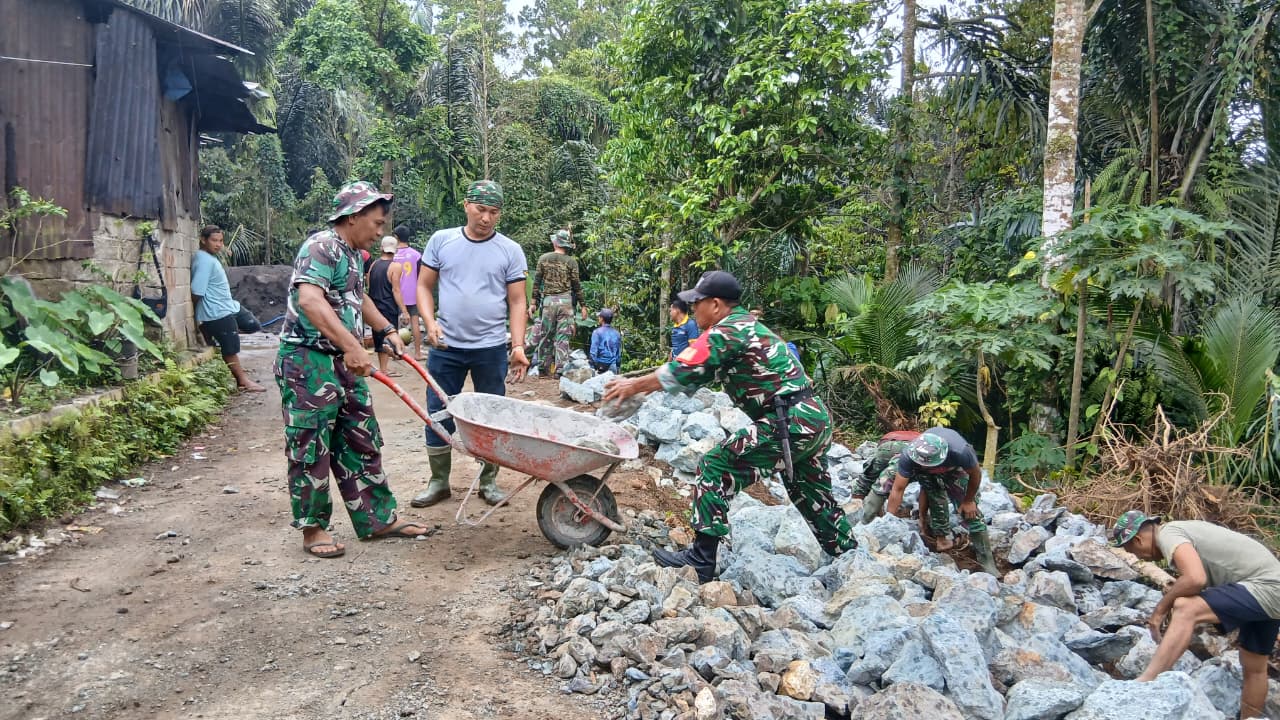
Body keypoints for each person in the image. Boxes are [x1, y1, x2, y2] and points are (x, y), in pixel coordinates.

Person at [603, 270, 856, 582]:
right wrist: (649, 386)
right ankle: (851, 560)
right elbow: (693, 376)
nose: (693, 310)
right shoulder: (744, 326)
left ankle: (701, 559)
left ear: (716, 304)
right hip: (812, 419)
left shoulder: (727, 330)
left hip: (789, 421)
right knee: (811, 493)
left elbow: (682, 370)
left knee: (715, 466)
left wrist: (633, 386)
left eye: (697, 304)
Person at [274, 181, 432, 559]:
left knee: (362, 436)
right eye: (376, 223)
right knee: (311, 445)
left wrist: (387, 330)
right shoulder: (321, 247)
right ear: (355, 216)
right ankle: (313, 528)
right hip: (308, 361)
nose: (380, 231)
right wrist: (350, 346)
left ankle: (377, 519)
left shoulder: (352, 255)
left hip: (343, 362)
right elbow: (310, 300)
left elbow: (356, 297)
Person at [411, 180, 529, 508]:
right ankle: (438, 482)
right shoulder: (442, 241)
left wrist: (517, 345)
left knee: (491, 415)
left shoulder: (510, 250)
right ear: (466, 205)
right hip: (446, 347)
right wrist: (429, 323)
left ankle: (488, 481)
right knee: (437, 412)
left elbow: (518, 302)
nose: (487, 218)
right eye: (481, 209)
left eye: (494, 212)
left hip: (491, 348)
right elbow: (423, 286)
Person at [1112, 511, 1280, 719]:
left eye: (1132, 551)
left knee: (1185, 607)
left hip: (1264, 587)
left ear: (1138, 539)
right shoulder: (1182, 530)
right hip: (1271, 588)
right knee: (1254, 666)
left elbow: (1195, 578)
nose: (1138, 557)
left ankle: (1145, 682)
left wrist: (1160, 610)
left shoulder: (1169, 534)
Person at [885, 428, 998, 575]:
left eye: (929, 464)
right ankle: (939, 536)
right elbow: (898, 489)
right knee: (934, 494)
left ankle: (987, 562)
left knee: (971, 513)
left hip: (953, 467)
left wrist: (969, 500)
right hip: (926, 473)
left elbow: (975, 474)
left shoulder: (961, 452)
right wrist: (888, 523)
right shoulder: (911, 454)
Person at [191, 225, 266, 392]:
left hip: (228, 306)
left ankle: (221, 336)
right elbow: (197, 291)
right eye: (214, 241)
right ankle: (242, 381)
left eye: (220, 241)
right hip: (216, 311)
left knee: (252, 324)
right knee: (230, 347)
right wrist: (198, 318)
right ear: (203, 240)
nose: (218, 244)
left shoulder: (209, 257)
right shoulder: (203, 260)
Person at [528, 229, 584, 377]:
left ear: (555, 242)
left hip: (548, 302)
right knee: (562, 337)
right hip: (565, 302)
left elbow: (537, 282)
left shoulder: (543, 258)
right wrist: (583, 306)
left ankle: (542, 368)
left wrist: (533, 302)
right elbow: (577, 287)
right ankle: (560, 370)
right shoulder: (571, 262)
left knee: (546, 335)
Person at [850, 430, 921, 523]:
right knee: (878, 482)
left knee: (870, 479)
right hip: (890, 447)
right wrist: (889, 521)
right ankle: (859, 517)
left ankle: (867, 513)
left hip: (903, 442)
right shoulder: (915, 458)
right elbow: (893, 487)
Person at [388, 225, 424, 360]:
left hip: (395, 294)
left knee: (393, 323)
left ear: (396, 237)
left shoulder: (392, 255)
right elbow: (421, 276)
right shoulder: (416, 255)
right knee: (415, 322)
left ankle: (397, 352)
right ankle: (418, 353)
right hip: (412, 295)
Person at [367, 236, 401, 376]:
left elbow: (368, 284)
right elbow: (396, 290)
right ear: (395, 250)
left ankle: (383, 369)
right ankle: (385, 368)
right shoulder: (395, 266)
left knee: (379, 337)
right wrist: (404, 310)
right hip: (388, 305)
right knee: (389, 336)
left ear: (381, 248)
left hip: (374, 305)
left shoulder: (373, 265)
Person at [589, 309, 622, 374]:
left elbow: (593, 352)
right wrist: (618, 367)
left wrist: (592, 367)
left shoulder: (597, 332)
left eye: (599, 317)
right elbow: (618, 354)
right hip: (612, 366)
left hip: (600, 366)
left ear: (602, 319)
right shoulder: (617, 333)